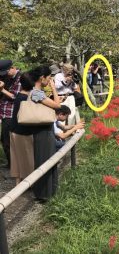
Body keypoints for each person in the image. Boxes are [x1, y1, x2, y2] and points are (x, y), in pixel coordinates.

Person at [29, 65, 61, 201]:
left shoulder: (38, 92)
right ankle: (44, 193)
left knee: (47, 158)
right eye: (48, 78)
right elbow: (58, 105)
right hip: (42, 131)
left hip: (44, 130)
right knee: (44, 159)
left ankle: (48, 192)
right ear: (42, 78)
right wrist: (54, 88)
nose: (49, 81)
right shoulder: (37, 93)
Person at [9, 72, 36, 185]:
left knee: (16, 158)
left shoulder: (19, 96)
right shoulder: (29, 97)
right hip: (24, 132)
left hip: (13, 129)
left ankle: (17, 184)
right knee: (28, 159)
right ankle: (29, 183)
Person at [0, 59, 21, 169]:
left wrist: (2, 89)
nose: (5, 75)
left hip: (11, 113)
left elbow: (15, 97)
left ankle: (13, 166)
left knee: (8, 141)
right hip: (4, 112)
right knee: (4, 139)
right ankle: (11, 163)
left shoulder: (20, 78)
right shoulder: (7, 77)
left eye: (5, 72)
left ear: (12, 68)